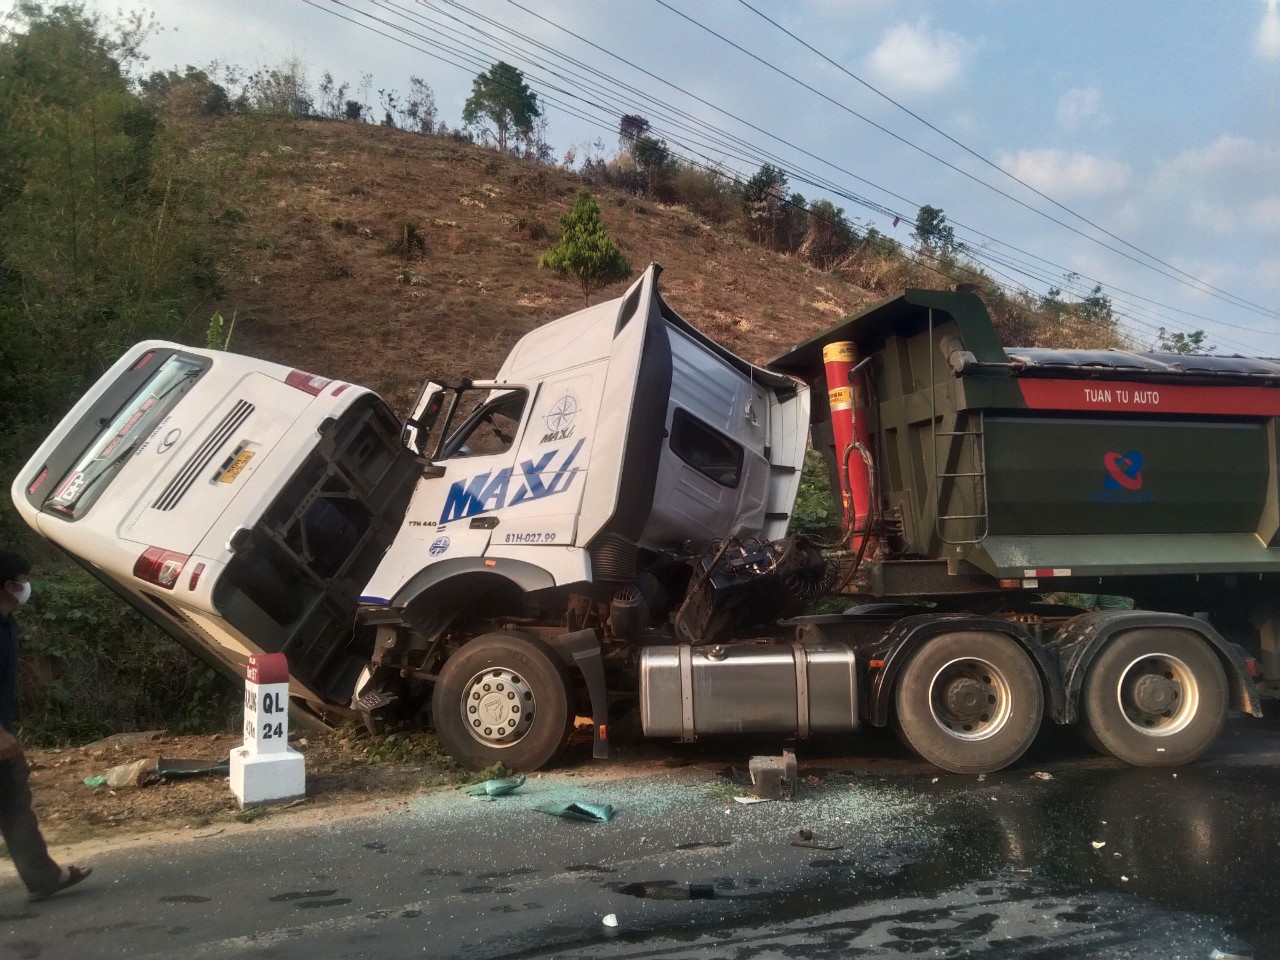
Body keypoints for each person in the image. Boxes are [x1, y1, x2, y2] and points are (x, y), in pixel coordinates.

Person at [0, 551, 92, 902]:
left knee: (15, 806)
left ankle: (43, 878)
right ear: (8, 585)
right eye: (23, 580)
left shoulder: (7, 623)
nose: (27, 586)